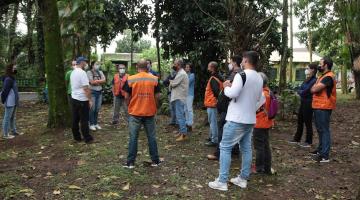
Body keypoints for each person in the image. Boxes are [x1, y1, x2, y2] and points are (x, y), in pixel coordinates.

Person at [208, 51, 264, 191]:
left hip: (236, 118)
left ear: (245, 60)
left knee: (225, 147)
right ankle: (243, 179)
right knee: (246, 148)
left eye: (243, 60)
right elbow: (261, 99)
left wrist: (226, 86)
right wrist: (250, 109)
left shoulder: (241, 75)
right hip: (250, 119)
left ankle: (222, 181)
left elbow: (232, 93)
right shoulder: (259, 77)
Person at [122, 59, 161, 168]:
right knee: (151, 137)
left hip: (135, 113)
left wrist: (130, 106)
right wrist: (155, 106)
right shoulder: (154, 79)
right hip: (149, 112)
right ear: (147, 67)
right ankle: (155, 161)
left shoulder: (130, 79)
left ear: (137, 67)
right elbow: (158, 96)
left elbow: (126, 96)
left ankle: (130, 163)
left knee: (133, 137)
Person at [207, 55, 242, 160]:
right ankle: (235, 150)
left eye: (230, 62)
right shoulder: (236, 74)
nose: (229, 64)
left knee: (222, 129)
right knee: (232, 129)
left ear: (235, 62)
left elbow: (229, 91)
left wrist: (226, 88)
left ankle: (219, 153)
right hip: (229, 107)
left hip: (228, 107)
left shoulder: (236, 74)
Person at [310, 57, 336, 163]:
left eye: (320, 64)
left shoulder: (328, 77)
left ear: (325, 65)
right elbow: (314, 89)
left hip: (324, 107)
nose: (318, 66)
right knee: (320, 130)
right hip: (318, 106)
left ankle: (325, 155)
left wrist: (314, 88)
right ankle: (320, 151)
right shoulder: (322, 76)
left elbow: (314, 89)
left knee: (324, 130)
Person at [289, 64, 318, 147]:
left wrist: (300, 92)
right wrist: (301, 92)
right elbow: (301, 88)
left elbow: (306, 91)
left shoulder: (314, 80)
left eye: (308, 68)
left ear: (312, 70)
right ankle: (297, 139)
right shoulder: (306, 80)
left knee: (308, 122)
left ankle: (308, 141)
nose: (306, 69)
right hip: (303, 101)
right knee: (300, 120)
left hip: (309, 103)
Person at [253, 72, 274, 174]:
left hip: (259, 123)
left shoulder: (261, 94)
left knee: (259, 147)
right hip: (267, 122)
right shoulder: (268, 92)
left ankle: (259, 167)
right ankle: (267, 167)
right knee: (265, 145)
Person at [70, 56, 94, 144]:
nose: (86, 63)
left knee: (75, 118)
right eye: (85, 62)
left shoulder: (73, 72)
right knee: (84, 119)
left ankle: (76, 137)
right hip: (82, 99)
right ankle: (87, 138)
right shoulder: (82, 73)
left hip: (74, 98)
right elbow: (86, 88)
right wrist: (90, 100)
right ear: (81, 62)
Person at [204, 61, 223, 146]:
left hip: (212, 103)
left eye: (208, 66)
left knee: (213, 122)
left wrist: (216, 101)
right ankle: (212, 136)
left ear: (212, 68)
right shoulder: (218, 76)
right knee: (212, 121)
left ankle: (214, 140)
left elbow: (216, 92)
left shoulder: (213, 79)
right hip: (212, 103)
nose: (207, 68)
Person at [170, 59, 189, 142]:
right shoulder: (180, 73)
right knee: (179, 115)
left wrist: (171, 82)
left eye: (175, 64)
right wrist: (172, 82)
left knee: (180, 116)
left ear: (179, 65)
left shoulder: (181, 73)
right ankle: (181, 132)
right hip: (178, 96)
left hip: (179, 97)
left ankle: (184, 134)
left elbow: (174, 83)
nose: (173, 65)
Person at [1, 63, 22, 139]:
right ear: (10, 69)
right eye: (14, 68)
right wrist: (3, 101)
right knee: (7, 117)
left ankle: (14, 131)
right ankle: (5, 134)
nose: (15, 69)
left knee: (12, 117)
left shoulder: (12, 78)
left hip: (14, 101)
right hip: (10, 101)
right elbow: (5, 91)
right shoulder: (8, 79)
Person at [87, 61, 106, 131]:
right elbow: (91, 82)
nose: (98, 65)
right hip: (92, 92)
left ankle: (95, 123)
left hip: (99, 92)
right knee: (92, 109)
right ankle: (91, 124)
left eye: (99, 64)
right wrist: (99, 81)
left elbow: (104, 80)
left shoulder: (100, 72)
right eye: (96, 64)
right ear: (92, 65)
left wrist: (96, 81)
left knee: (97, 109)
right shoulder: (89, 72)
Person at [185, 63, 195, 132]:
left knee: (189, 109)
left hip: (190, 94)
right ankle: (187, 123)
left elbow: (187, 83)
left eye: (188, 67)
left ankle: (190, 124)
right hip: (184, 94)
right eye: (185, 67)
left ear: (190, 68)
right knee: (185, 109)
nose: (186, 68)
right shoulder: (185, 75)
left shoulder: (192, 75)